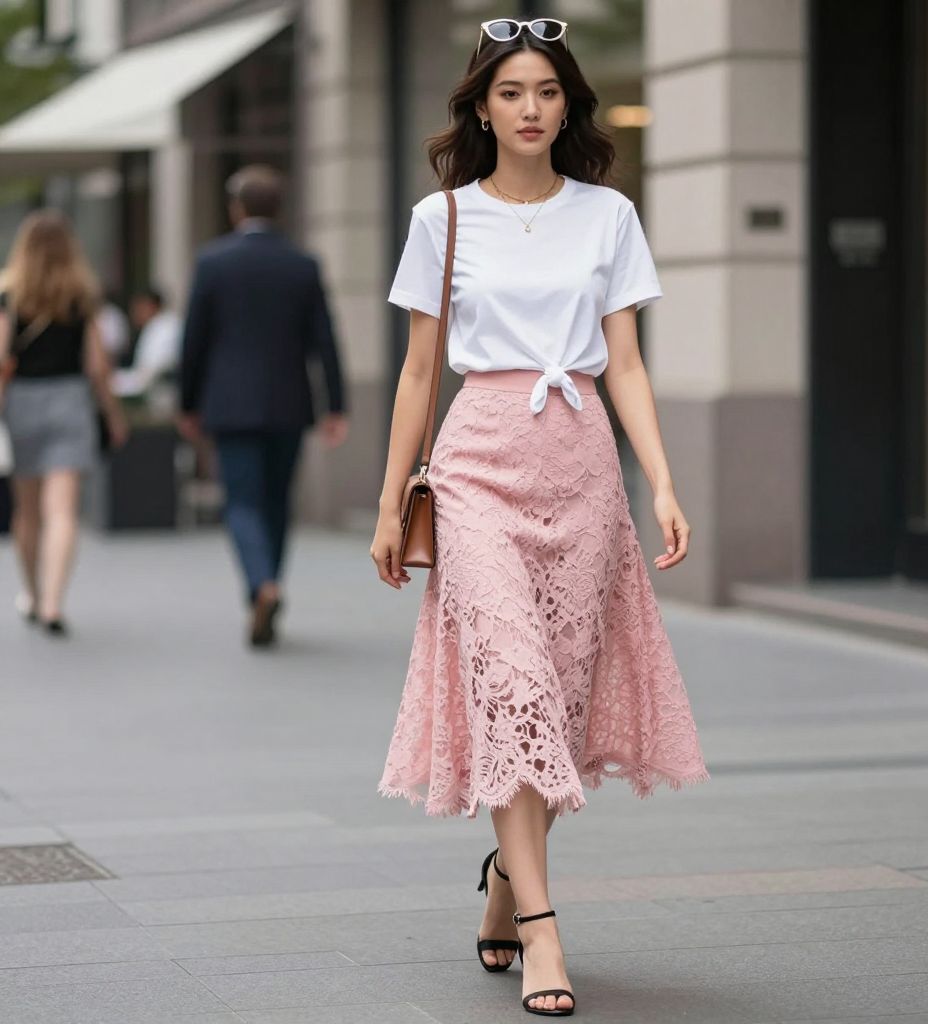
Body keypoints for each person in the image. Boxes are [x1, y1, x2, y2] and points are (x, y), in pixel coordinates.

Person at [371, 18, 708, 1019]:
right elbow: (419, 372)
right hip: (477, 464)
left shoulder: (608, 214)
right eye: (512, 92)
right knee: (511, 684)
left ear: (569, 107)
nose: (531, 109)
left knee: (554, 702)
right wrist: (390, 504)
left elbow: (628, 363)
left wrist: (662, 482)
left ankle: (504, 881)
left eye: (548, 92)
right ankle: (543, 928)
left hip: (581, 465)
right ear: (482, 107)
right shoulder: (442, 219)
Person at [178, 165, 349, 648]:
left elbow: (194, 340)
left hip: (229, 404)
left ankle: (262, 585)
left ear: (236, 208)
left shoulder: (212, 262)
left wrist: (187, 403)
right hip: (289, 403)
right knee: (276, 501)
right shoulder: (302, 265)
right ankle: (269, 582)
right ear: (280, 209)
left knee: (242, 501)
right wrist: (336, 405)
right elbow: (325, 340)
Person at [0, 210, 128, 634]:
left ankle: (33, 594)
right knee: (63, 511)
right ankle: (54, 603)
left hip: (22, 403)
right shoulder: (81, 296)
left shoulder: (10, 296)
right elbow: (97, 366)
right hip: (71, 401)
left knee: (27, 511)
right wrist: (113, 413)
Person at [112, 285, 181, 398]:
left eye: (138, 307)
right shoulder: (156, 326)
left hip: (161, 396)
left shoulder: (166, 327)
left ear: (151, 306)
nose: (134, 313)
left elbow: (150, 373)